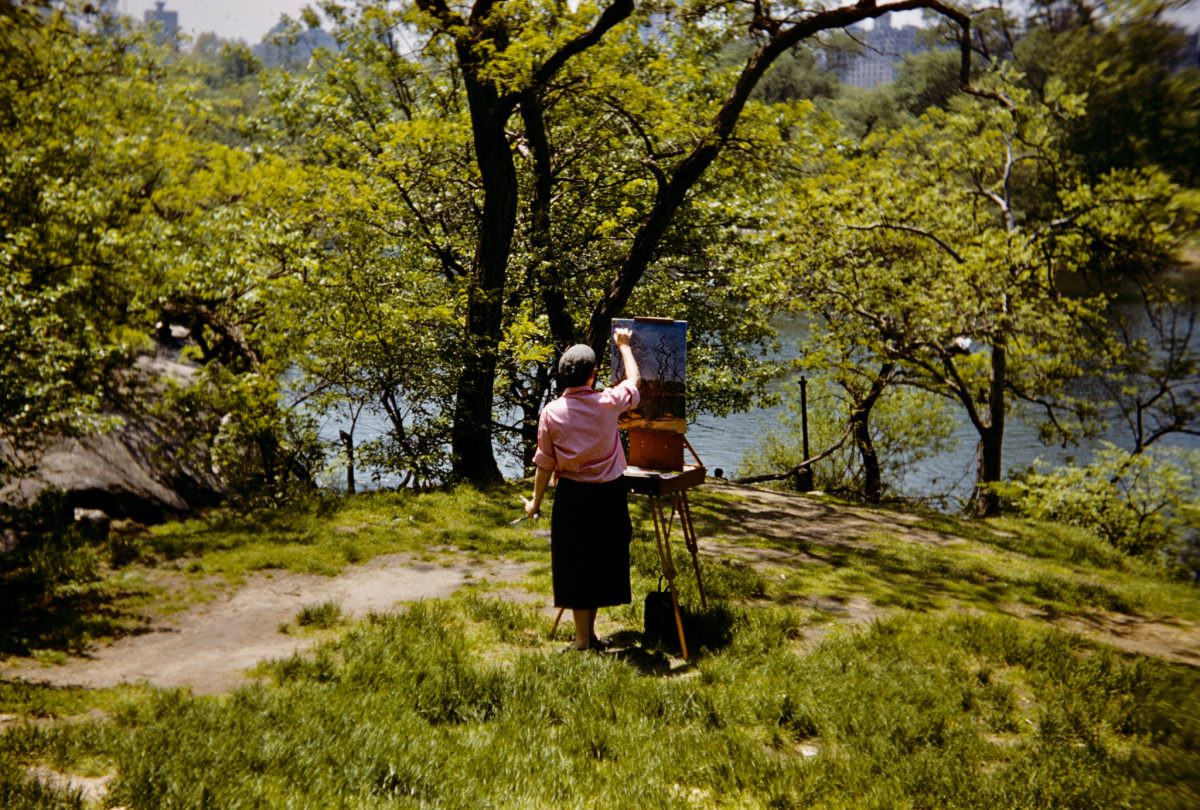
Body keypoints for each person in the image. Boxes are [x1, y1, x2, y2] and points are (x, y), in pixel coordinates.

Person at [523, 328, 641, 652]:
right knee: (601, 561)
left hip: (572, 498)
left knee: (576, 564)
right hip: (608, 496)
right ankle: (584, 639)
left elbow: (544, 463)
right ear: (593, 375)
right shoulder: (609, 402)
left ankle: (584, 638)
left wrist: (535, 501)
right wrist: (625, 346)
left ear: (562, 376)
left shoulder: (551, 412)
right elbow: (634, 382)